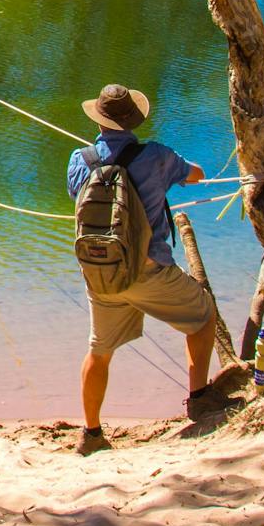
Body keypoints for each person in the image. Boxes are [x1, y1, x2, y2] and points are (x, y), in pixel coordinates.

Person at [66, 83, 223, 455]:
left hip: (102, 273)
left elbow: (77, 196)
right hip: (149, 272)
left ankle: (91, 434)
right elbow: (197, 174)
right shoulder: (156, 156)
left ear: (98, 118)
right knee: (203, 317)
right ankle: (199, 400)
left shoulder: (79, 159)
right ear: (133, 120)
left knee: (99, 350)